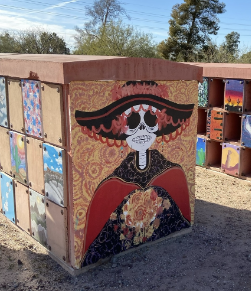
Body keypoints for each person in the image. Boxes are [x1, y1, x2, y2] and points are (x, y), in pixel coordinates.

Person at [75, 81, 195, 267]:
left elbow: (183, 219)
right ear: (120, 129)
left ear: (159, 124)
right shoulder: (111, 184)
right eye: (132, 121)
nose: (141, 130)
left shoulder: (173, 173)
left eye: (149, 121)